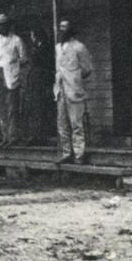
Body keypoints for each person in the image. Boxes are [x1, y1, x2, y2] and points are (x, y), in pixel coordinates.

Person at [54, 19, 93, 164]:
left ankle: (79, 154)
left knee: (76, 123)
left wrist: (74, 78)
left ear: (71, 30)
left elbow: (87, 69)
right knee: (62, 124)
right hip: (60, 89)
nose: (61, 30)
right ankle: (66, 152)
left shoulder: (79, 47)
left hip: (74, 90)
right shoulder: (58, 47)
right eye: (60, 28)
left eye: (64, 28)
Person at [0, 14, 28, 148]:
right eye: (0, 25)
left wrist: (13, 63)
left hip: (11, 76)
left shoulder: (16, 40)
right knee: (2, 108)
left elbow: (24, 58)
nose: (2, 27)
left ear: (9, 25)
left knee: (12, 107)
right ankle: (5, 136)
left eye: (4, 24)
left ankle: (13, 136)